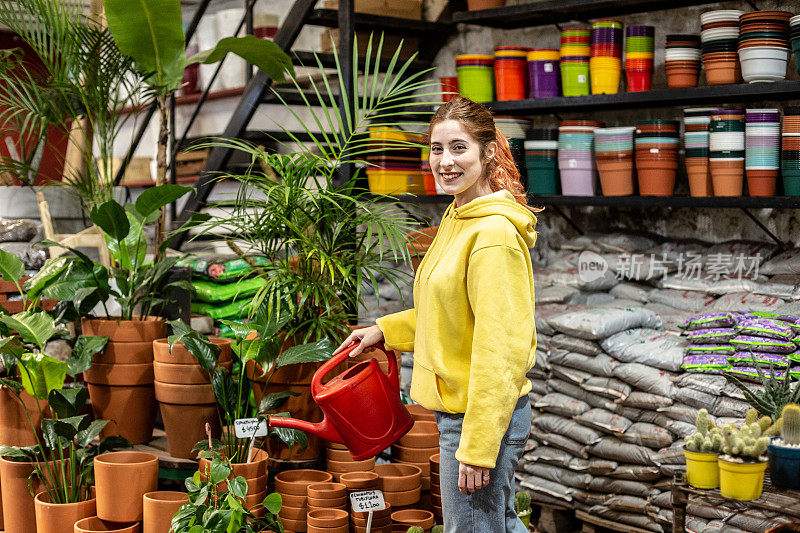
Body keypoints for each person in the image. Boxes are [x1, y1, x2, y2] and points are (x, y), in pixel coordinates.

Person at [334, 96, 538, 532]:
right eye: (436, 148)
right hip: (466, 411)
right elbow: (446, 311)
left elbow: (502, 348)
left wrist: (479, 445)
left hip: (479, 417)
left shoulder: (494, 235)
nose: (445, 161)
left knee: (473, 528)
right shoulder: (458, 216)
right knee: (495, 523)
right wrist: (383, 330)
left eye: (458, 147)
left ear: (488, 152)